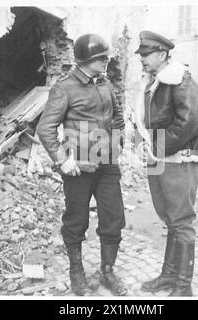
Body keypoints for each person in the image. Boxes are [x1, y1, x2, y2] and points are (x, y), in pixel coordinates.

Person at [37, 34, 127, 296]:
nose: (106, 60)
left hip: (107, 164)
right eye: (101, 57)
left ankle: (107, 271)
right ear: (86, 60)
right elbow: (46, 128)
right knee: (76, 221)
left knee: (114, 219)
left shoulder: (106, 84)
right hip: (79, 167)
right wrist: (63, 160)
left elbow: (118, 118)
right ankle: (76, 272)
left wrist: (118, 143)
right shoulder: (64, 88)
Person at [134, 31, 198, 296]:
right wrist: (146, 147)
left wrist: (156, 148)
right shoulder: (154, 82)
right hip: (159, 160)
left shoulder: (180, 81)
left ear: (163, 55)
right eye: (141, 54)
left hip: (178, 160)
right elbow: (150, 123)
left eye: (146, 54)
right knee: (171, 220)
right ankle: (169, 275)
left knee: (182, 221)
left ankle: (183, 286)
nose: (142, 59)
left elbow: (189, 122)